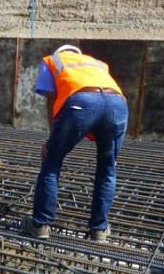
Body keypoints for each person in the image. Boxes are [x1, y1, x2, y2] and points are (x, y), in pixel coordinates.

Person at [23, 45, 128, 242]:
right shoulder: (98, 63)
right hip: (118, 105)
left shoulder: (51, 61)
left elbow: (52, 99)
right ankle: (99, 230)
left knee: (52, 160)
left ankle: (40, 225)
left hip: (82, 102)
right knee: (108, 168)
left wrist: (52, 140)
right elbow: (103, 97)